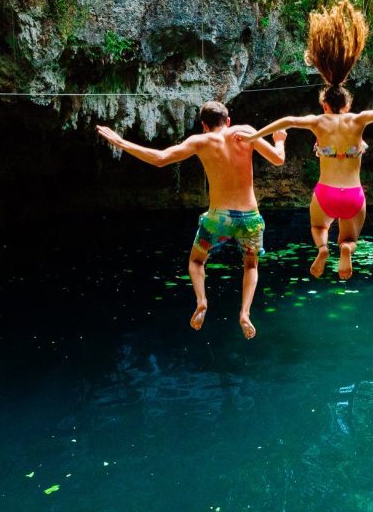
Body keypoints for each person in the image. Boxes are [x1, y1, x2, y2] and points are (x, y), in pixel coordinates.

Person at [240, 0, 373, 280]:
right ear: (347, 105)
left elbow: (286, 121)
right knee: (349, 239)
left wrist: (254, 136)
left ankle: (322, 248)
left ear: (324, 105)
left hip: (325, 193)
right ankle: (345, 250)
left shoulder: (317, 122)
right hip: (352, 195)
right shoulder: (358, 120)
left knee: (318, 227)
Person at [96, 102, 287, 338]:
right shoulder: (245, 132)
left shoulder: (200, 141)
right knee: (251, 266)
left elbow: (160, 158)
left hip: (218, 219)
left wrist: (120, 142)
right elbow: (279, 159)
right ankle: (245, 313)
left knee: (196, 262)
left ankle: (202, 301)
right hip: (250, 218)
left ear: (204, 125)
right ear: (228, 121)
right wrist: (279, 140)